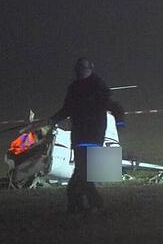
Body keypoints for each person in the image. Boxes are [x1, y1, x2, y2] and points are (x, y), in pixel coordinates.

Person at [50, 57, 123, 214]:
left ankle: (80, 202)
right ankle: (85, 203)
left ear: (90, 68)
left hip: (93, 134)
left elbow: (112, 105)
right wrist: (53, 119)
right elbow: (67, 108)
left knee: (83, 171)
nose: (81, 72)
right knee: (83, 171)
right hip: (79, 134)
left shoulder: (98, 85)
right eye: (79, 69)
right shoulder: (74, 87)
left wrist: (119, 122)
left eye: (84, 69)